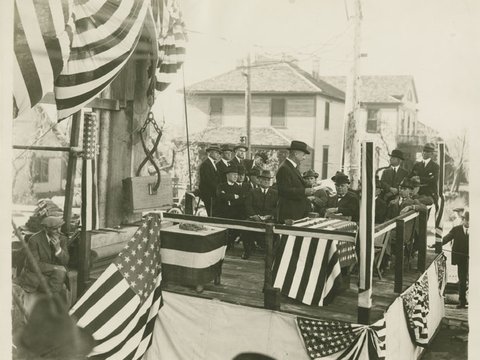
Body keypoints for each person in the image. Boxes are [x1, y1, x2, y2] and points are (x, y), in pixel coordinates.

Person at [17, 216, 70, 300]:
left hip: (54, 275)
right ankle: (52, 302)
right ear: (46, 228)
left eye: (59, 227)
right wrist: (56, 267)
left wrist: (58, 249)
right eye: (54, 229)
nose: (58, 231)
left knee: (60, 275)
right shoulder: (34, 240)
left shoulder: (62, 238)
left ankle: (52, 302)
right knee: (59, 280)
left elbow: (65, 261)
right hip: (38, 274)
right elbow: (34, 265)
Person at [244, 170, 278, 259]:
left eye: (268, 180)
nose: (266, 181)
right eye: (264, 179)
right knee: (245, 226)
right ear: (260, 180)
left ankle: (269, 253)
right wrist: (254, 215)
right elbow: (248, 205)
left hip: (269, 218)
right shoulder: (253, 192)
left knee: (273, 228)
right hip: (255, 217)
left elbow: (277, 207)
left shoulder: (275, 193)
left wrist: (270, 215)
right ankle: (247, 250)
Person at [276, 140, 312, 223]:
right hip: (289, 214)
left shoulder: (292, 167)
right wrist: (304, 191)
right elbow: (283, 190)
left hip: (295, 212)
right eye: (303, 155)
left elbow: (295, 183)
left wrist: (307, 185)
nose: (304, 158)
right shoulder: (284, 168)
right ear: (296, 154)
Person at [441, 211, 469, 308]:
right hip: (461, 260)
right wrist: (436, 245)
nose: (469, 223)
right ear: (463, 219)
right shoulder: (456, 229)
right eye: (467, 220)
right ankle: (462, 302)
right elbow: (447, 238)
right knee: (462, 280)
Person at [215, 165, 243, 248]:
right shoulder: (221, 186)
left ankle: (230, 243)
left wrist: (227, 197)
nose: (236, 176)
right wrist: (233, 197)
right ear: (227, 175)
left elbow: (240, 200)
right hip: (222, 212)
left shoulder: (238, 188)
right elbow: (220, 196)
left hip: (235, 213)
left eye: (237, 174)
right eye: (233, 174)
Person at [198, 144, 221, 216]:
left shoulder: (213, 164)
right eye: (216, 153)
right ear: (210, 153)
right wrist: (218, 189)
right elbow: (208, 180)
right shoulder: (206, 164)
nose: (218, 155)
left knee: (215, 212)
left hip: (214, 193)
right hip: (208, 193)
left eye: (219, 153)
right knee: (211, 213)